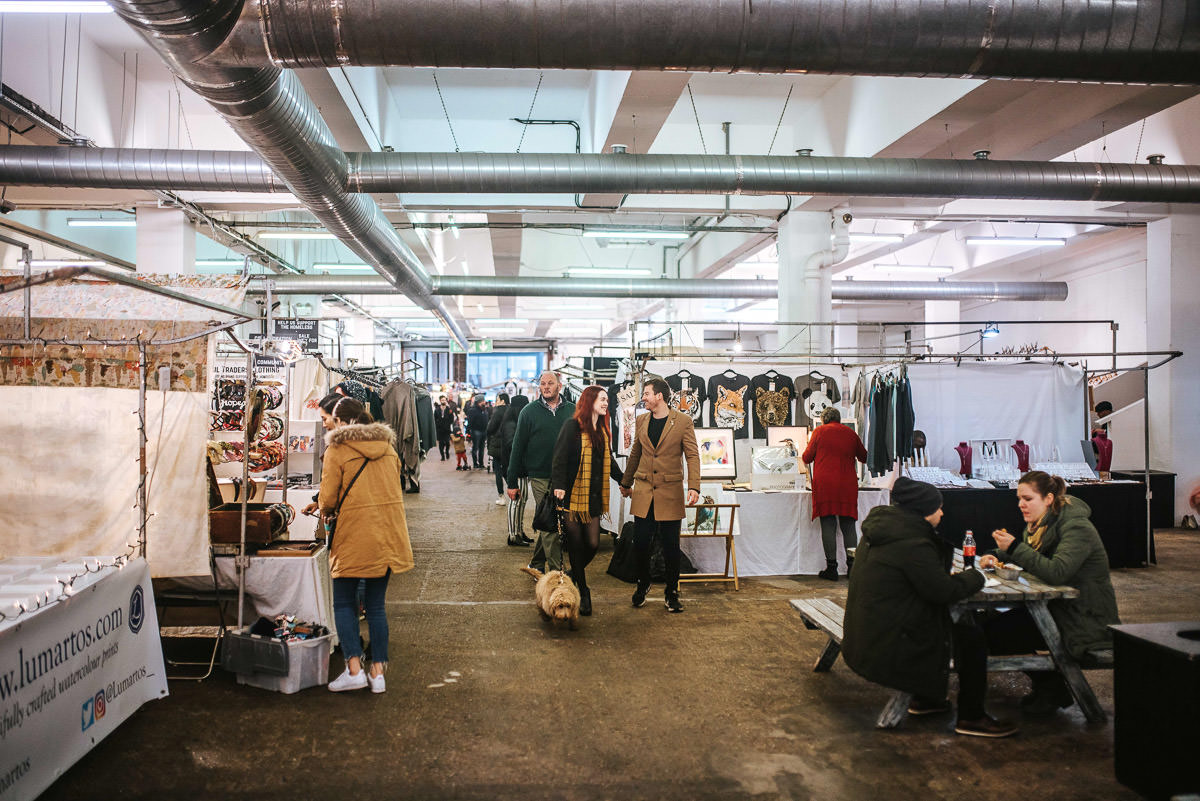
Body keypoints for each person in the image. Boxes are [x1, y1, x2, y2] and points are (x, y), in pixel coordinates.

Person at [842, 478, 1014, 738]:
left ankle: (927, 698)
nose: (942, 513)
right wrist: (977, 575)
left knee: (951, 624)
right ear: (923, 511)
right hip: (889, 642)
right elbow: (944, 591)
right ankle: (972, 716)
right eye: (938, 508)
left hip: (867, 631)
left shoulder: (885, 530)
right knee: (971, 638)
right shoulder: (912, 543)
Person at [977, 470, 1120, 715]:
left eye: (1028, 499)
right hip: (1058, 608)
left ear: (1049, 499)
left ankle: (1053, 688)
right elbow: (1029, 555)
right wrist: (994, 554)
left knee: (1001, 632)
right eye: (1019, 499)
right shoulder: (1040, 526)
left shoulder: (1076, 527)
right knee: (991, 627)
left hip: (1083, 619)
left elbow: (1057, 572)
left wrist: (1013, 547)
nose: (1021, 504)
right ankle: (1051, 687)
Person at [317, 397, 414, 693]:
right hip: (386, 535)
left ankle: (354, 670)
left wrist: (324, 508)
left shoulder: (337, 449)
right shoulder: (388, 449)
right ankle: (378, 673)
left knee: (344, 603)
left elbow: (328, 499)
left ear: (341, 421)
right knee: (375, 606)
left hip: (353, 535)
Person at [619, 377, 701, 613]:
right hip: (644, 491)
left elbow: (692, 455)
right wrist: (626, 482)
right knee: (641, 543)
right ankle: (643, 583)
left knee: (670, 546)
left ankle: (671, 592)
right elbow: (636, 453)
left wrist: (694, 486)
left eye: (646, 393)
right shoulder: (642, 420)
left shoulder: (683, 421)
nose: (643, 398)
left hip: (670, 492)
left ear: (659, 396)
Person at [551, 386, 624, 616]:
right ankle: (583, 590)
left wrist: (623, 481)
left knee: (592, 544)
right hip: (572, 496)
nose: (606, 403)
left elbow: (609, 460)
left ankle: (573, 575)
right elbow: (560, 457)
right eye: (602, 399)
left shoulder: (602, 429)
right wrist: (559, 485)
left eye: (607, 400)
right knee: (575, 545)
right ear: (589, 401)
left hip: (593, 497)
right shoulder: (572, 426)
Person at [507, 371, 576, 572]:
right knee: (551, 523)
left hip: (565, 477)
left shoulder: (573, 410)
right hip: (539, 476)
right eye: (543, 383)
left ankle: (536, 564)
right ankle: (557, 573)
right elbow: (517, 447)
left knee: (549, 519)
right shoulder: (528, 412)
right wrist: (511, 482)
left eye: (550, 383)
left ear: (559, 386)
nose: (546, 387)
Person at [802, 406, 869, 581]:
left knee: (828, 524)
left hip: (825, 484)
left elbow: (807, 457)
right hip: (847, 483)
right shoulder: (850, 433)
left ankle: (831, 569)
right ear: (839, 419)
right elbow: (864, 457)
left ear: (823, 419)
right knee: (848, 525)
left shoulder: (819, 432)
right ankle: (853, 568)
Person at [501, 394, 533, 547]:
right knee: (516, 501)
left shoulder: (515, 421)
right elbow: (511, 444)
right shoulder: (510, 424)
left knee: (522, 500)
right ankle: (513, 535)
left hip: (521, 468)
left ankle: (519, 531)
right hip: (515, 468)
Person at [487, 393, 510, 505]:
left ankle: (501, 497)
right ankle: (514, 490)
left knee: (498, 471)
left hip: (497, 445)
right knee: (506, 470)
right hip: (508, 444)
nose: (496, 402)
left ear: (502, 401)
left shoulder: (498, 411)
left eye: (497, 400)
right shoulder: (511, 411)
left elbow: (490, 428)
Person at [466, 396, 490, 469]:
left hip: (484, 431)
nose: (484, 402)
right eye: (483, 401)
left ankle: (481, 464)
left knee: (482, 449)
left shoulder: (484, 409)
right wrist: (468, 431)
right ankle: (475, 463)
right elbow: (470, 421)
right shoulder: (472, 410)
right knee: (475, 448)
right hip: (476, 431)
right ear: (479, 402)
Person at [434, 395, 454, 460]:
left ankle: (447, 452)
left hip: (447, 429)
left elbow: (452, 419)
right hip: (440, 429)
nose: (443, 401)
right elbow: (434, 419)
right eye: (442, 400)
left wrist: (448, 423)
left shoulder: (449, 409)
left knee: (447, 442)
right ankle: (442, 456)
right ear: (440, 401)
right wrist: (437, 424)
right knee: (441, 443)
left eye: (445, 400)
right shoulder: (437, 410)